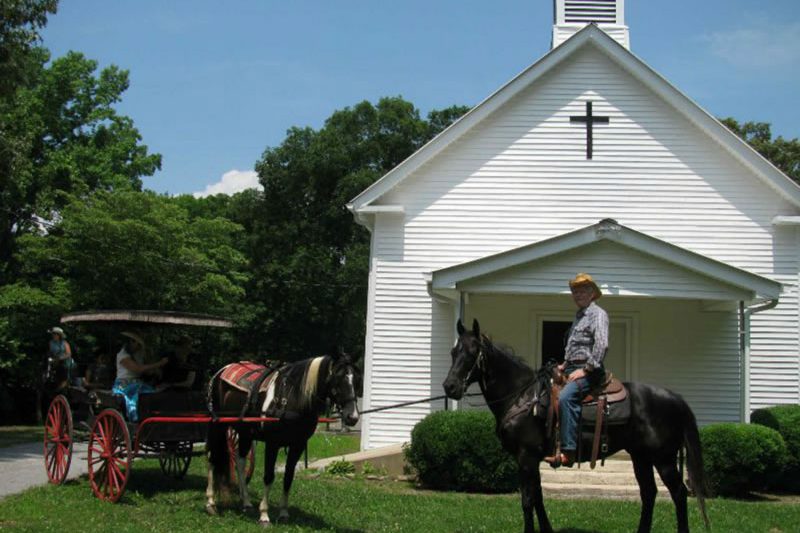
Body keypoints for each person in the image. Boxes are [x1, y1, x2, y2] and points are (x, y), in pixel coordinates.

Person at [545, 273, 609, 468]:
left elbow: (601, 345)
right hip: (572, 366)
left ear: (592, 294)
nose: (578, 294)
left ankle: (568, 451)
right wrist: (564, 364)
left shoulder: (598, 314)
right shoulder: (579, 316)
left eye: (582, 290)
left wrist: (586, 370)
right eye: (575, 291)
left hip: (591, 370)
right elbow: (574, 346)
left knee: (566, 398)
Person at [112, 331, 167, 421]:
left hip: (137, 383)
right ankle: (135, 418)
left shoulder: (138, 355)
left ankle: (152, 417)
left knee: (153, 393)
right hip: (124, 385)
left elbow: (143, 370)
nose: (137, 346)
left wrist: (154, 371)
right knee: (137, 397)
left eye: (138, 344)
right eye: (135, 342)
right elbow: (137, 369)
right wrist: (159, 364)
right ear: (130, 342)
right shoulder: (122, 355)